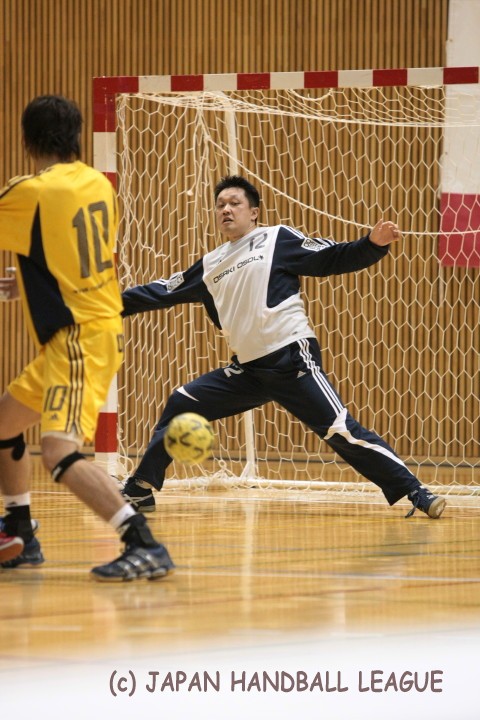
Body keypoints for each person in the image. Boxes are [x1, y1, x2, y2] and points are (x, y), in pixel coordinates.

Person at [121, 175, 446, 520]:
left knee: (339, 429)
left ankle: (415, 491)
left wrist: (372, 245)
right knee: (183, 402)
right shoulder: (211, 263)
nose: (226, 210)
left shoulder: (276, 238)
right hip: (248, 371)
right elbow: (163, 291)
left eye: (234, 203)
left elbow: (331, 257)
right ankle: (140, 487)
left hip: (292, 359)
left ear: (254, 212)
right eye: (220, 205)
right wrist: (112, 304)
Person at [0, 95, 174, 581]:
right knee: (5, 423)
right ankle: (20, 532)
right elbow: (76, 256)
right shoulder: (99, 184)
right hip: (89, 330)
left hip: (78, 339)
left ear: (26, 141)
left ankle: (143, 542)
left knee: (58, 450)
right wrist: (27, 283)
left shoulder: (29, 191)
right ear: (75, 137)